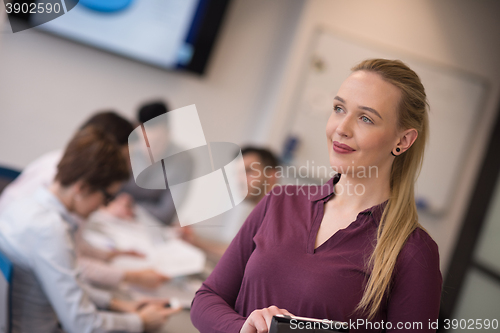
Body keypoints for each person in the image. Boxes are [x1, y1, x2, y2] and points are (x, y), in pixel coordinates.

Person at [190, 59, 442, 333]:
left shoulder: (414, 251)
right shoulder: (280, 201)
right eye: (339, 109)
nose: (341, 128)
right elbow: (207, 299)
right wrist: (241, 329)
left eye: (366, 118)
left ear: (403, 141)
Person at [0, 126, 179, 333]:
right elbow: (83, 326)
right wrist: (140, 322)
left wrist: (118, 304)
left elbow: (66, 284)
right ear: (82, 188)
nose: (103, 207)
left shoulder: (24, 204)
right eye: (107, 197)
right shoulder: (50, 231)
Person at [0, 111, 168, 290]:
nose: (128, 166)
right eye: (125, 157)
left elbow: (73, 246)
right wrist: (132, 277)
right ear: (104, 151)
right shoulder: (61, 187)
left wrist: (110, 255)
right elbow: (72, 264)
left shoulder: (64, 166)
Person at [185, 146, 279, 260]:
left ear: (272, 175)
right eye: (237, 173)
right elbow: (240, 251)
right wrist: (195, 241)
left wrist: (196, 242)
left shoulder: (279, 217)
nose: (240, 179)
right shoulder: (259, 213)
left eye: (248, 171)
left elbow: (242, 258)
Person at [120, 100, 194, 225]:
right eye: (146, 141)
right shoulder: (124, 148)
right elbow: (102, 194)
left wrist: (128, 207)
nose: (152, 150)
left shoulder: (183, 161)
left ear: (169, 131)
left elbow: (166, 213)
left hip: (149, 226)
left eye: (158, 142)